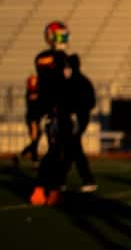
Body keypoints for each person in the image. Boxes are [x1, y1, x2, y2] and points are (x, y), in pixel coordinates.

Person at [30, 21, 75, 206]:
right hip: (56, 110)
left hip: (48, 109)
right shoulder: (61, 58)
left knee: (56, 151)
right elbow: (62, 83)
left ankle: (48, 188)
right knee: (57, 152)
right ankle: (48, 189)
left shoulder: (43, 57)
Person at [62, 54, 97, 191]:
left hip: (78, 119)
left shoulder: (76, 82)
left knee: (73, 147)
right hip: (77, 118)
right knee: (70, 148)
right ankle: (62, 179)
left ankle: (88, 179)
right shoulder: (80, 81)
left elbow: (90, 102)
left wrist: (76, 111)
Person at [15, 74, 43, 166]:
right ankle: (34, 160)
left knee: (36, 139)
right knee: (34, 140)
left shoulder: (38, 91)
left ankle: (21, 155)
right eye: (33, 80)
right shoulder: (30, 92)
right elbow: (33, 106)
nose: (35, 81)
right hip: (32, 118)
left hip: (37, 118)